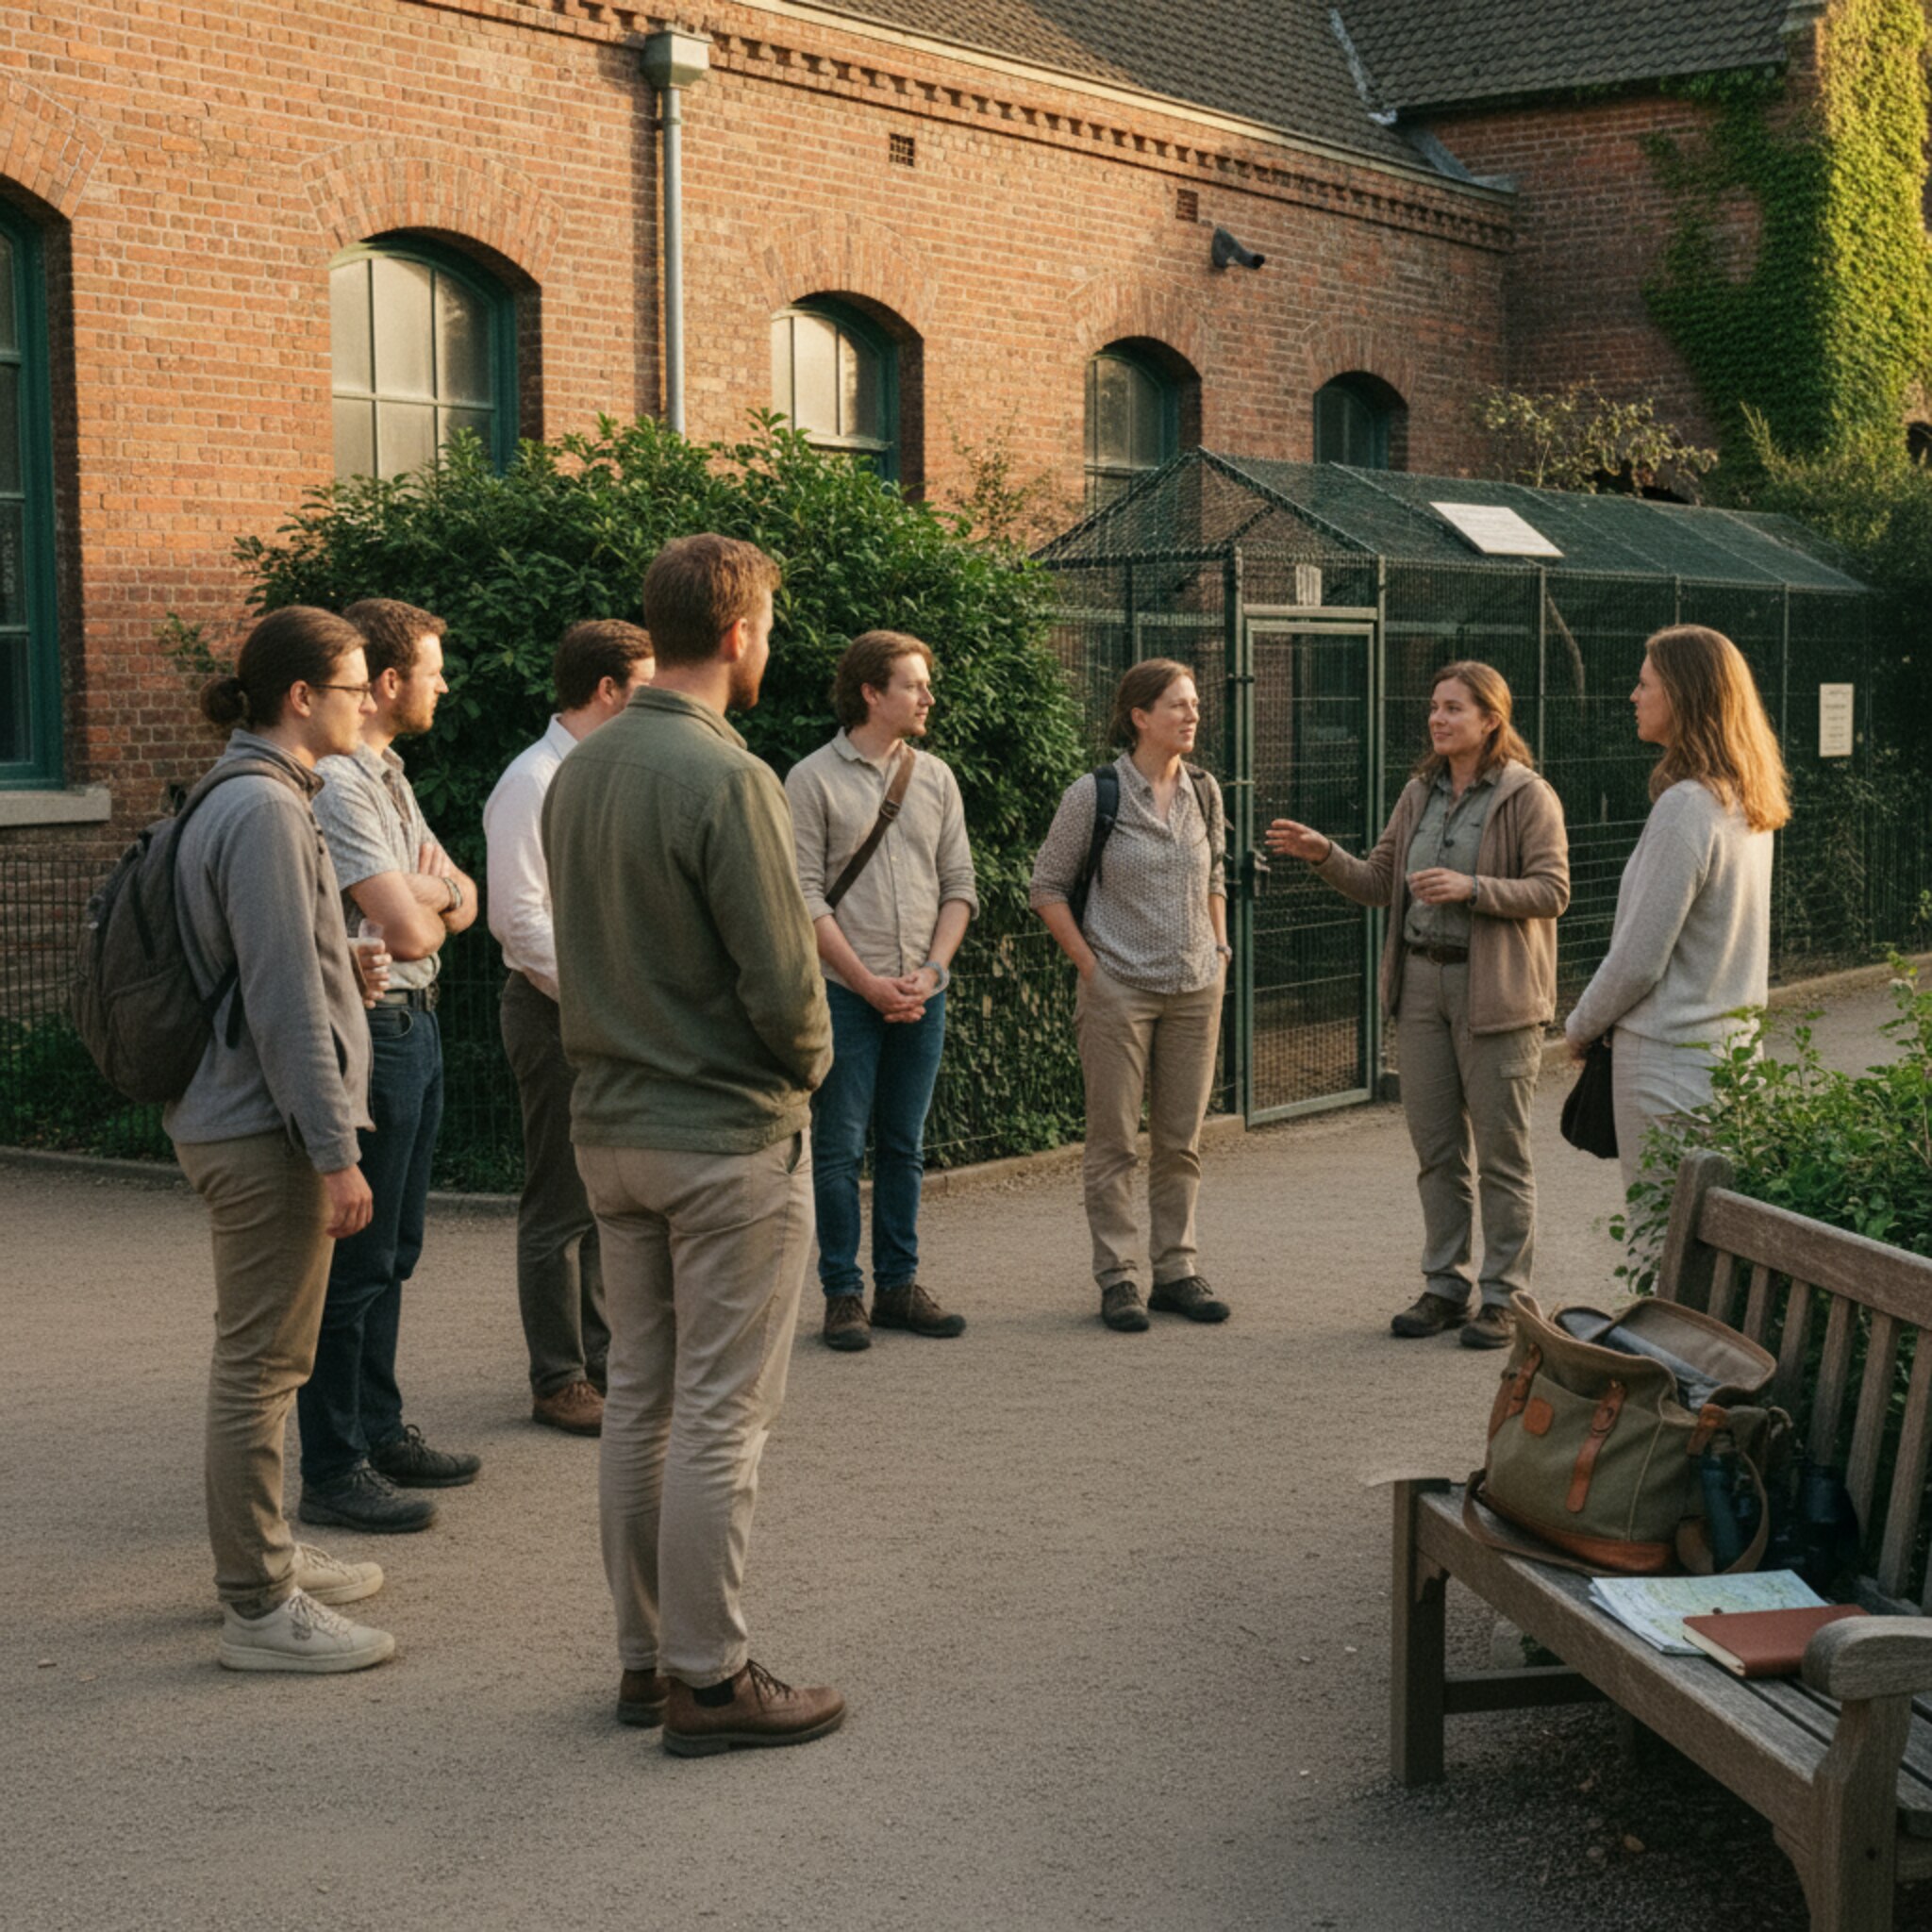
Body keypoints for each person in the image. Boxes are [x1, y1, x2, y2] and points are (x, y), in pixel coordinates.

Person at [543, 533, 843, 1756]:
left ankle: (643, 1662)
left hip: (610, 1130)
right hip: (724, 1138)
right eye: (767, 625)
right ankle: (710, 1681)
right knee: (722, 1414)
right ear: (736, 634)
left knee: (643, 1405)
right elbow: (784, 984)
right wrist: (813, 1066)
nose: (769, 644)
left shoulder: (579, 770)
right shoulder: (730, 779)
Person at [166, 605, 395, 1672]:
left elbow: (278, 967)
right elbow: (280, 1000)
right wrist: (335, 1147)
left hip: (243, 1117)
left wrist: (338, 956)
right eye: (355, 685)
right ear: (301, 697)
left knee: (259, 1357)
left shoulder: (246, 793)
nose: (370, 699)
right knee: (260, 1366)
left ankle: (266, 1559)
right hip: (262, 1130)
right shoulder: (263, 809)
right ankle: (258, 1603)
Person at [1267, 661, 1569, 1349]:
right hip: (1421, 988)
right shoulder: (1418, 794)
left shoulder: (1527, 796)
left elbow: (1553, 891)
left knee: (1501, 1153)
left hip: (1495, 992)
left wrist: (1474, 888)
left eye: (1453, 708)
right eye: (1433, 707)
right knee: (1436, 1151)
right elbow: (1379, 883)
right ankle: (1445, 1286)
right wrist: (1323, 854)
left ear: (1491, 720)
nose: (1437, 719)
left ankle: (1506, 1297)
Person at [298, 597, 482, 1534]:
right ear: (386, 681)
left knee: (398, 1248)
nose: (443, 683)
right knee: (359, 1258)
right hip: (377, 1029)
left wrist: (434, 886)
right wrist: (432, 890)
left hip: (419, 1022)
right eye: (433, 669)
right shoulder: (339, 784)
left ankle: (378, 1426)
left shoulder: (391, 773)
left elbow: (466, 896)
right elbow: (414, 923)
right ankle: (334, 1463)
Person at [484, 619, 656, 1435]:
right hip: (554, 1012)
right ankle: (558, 1379)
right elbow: (521, 923)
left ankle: (600, 1359)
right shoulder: (532, 780)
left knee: (599, 1199)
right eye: (647, 688)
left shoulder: (602, 770)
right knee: (558, 1204)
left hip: (596, 1009)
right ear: (608, 690)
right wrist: (605, 1002)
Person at [785, 630, 978, 1353]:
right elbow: (802, 896)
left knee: (904, 1144)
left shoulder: (936, 778)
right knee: (836, 1148)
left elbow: (960, 886)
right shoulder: (809, 780)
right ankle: (843, 1295)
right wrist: (867, 984)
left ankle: (898, 1284)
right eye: (914, 685)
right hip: (842, 994)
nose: (928, 697)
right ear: (871, 692)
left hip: (922, 993)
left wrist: (931, 973)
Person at [1030, 658, 1232, 1334]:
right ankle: (1118, 1277)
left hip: (1196, 987)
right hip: (1119, 989)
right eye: (1178, 704)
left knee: (1181, 1141)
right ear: (1140, 716)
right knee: (1113, 1141)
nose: (1192, 714)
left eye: (1195, 703)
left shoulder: (1206, 790)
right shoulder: (1094, 795)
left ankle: (1176, 1270)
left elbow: (1217, 875)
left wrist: (1220, 948)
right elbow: (1047, 887)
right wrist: (1091, 968)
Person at [1564, 625, 1789, 1193]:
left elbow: (1640, 957)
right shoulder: (1744, 802)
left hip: (1667, 1062)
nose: (1633, 697)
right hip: (1732, 1059)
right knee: (1702, 1238)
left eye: (1646, 685)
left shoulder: (1686, 805)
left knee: (1657, 1235)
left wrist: (1580, 1026)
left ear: (1684, 696)